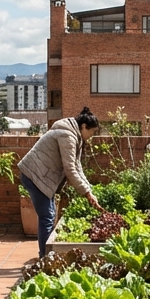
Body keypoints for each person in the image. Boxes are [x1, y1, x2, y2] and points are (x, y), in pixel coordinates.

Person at [16, 107, 103, 260]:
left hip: (40, 176)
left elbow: (77, 166)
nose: (92, 136)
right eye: (92, 132)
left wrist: (89, 190)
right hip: (34, 175)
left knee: (49, 215)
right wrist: (87, 193)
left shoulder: (75, 136)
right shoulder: (67, 136)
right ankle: (45, 258)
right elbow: (69, 169)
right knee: (47, 217)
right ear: (84, 126)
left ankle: (46, 256)